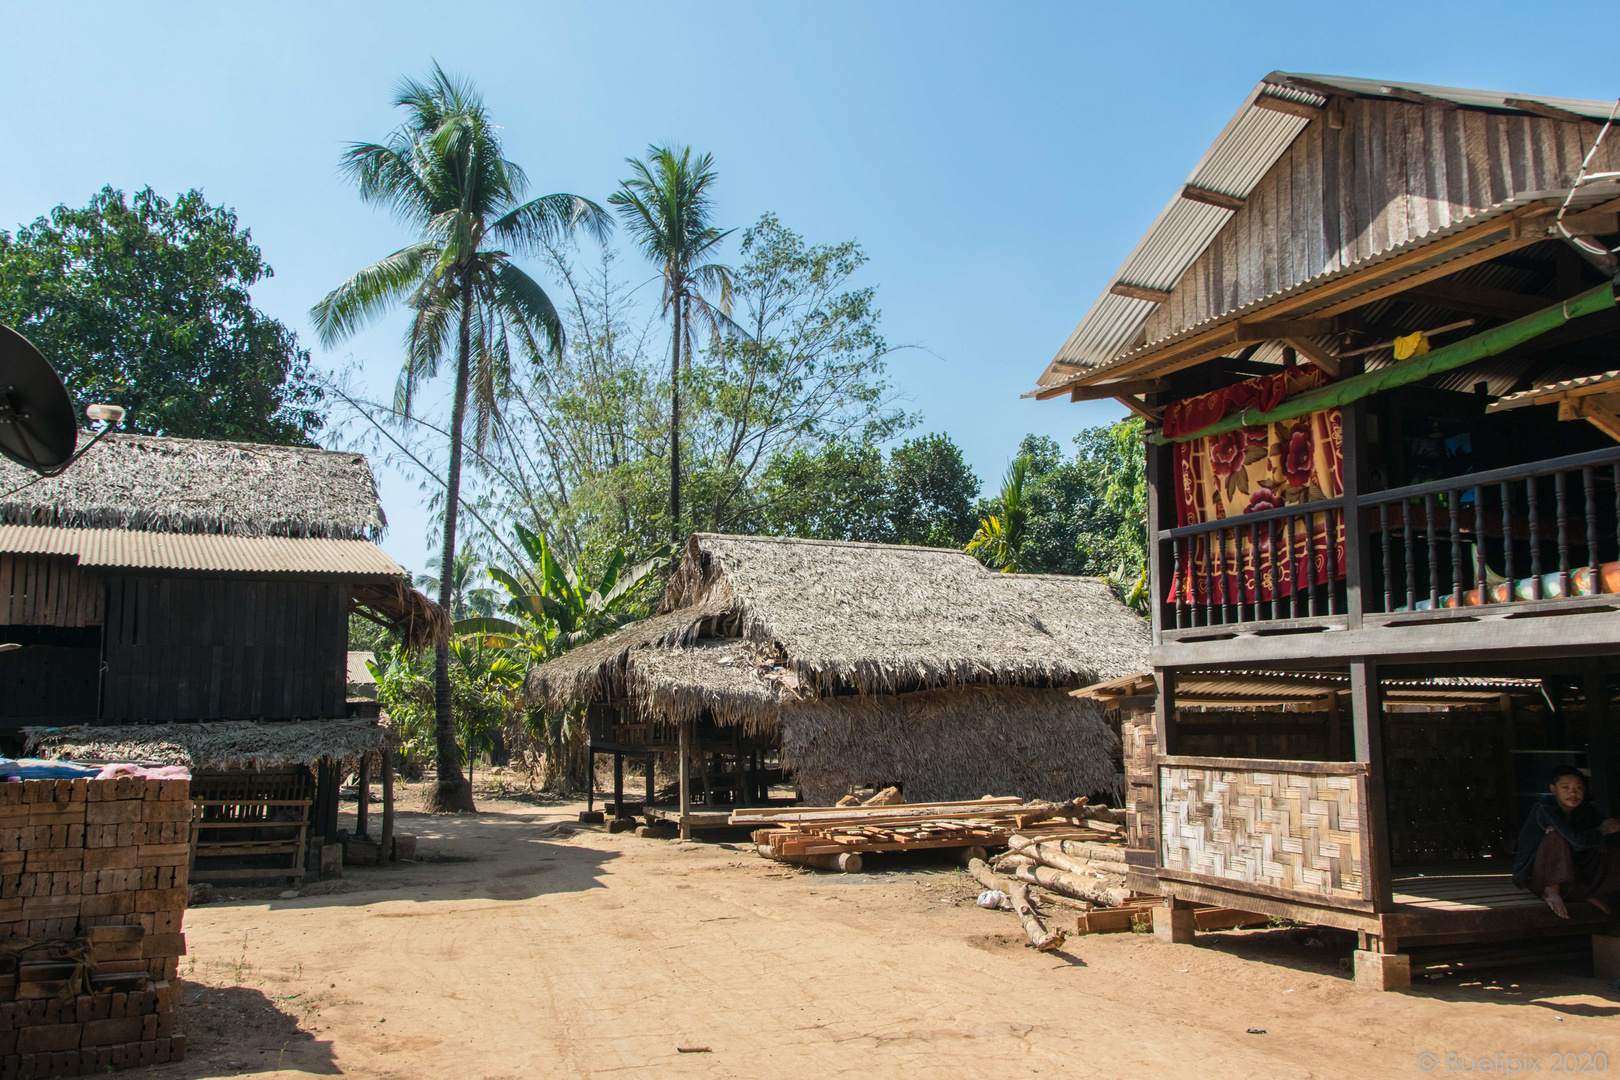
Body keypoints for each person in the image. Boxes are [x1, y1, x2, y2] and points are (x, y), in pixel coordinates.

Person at [1513, 766, 1620, 918]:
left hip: (1572, 878)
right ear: (1553, 789)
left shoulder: (1585, 810)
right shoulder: (1545, 809)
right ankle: (1552, 891)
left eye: (1579, 788)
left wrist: (1611, 826)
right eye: (1565, 787)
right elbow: (1578, 842)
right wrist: (1603, 830)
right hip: (1540, 879)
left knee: (1613, 853)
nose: (1573, 793)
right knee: (1555, 836)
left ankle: (1580, 893)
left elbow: (1607, 832)